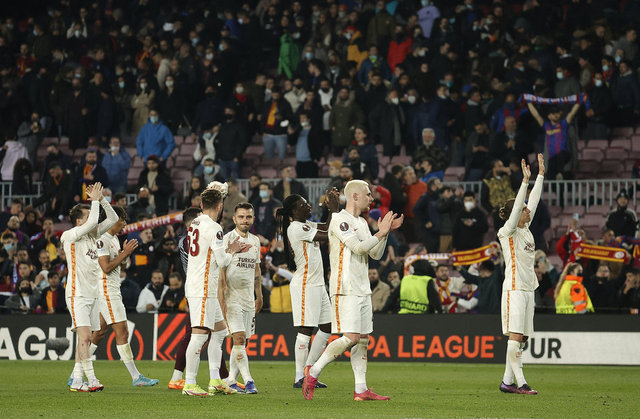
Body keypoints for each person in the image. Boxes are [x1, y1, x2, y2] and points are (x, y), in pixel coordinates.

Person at [302, 179, 403, 401]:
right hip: (345, 287)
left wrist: (384, 233)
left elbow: (375, 254)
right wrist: (380, 233)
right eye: (368, 194)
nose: (372, 198)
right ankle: (313, 372)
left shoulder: (362, 223)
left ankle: (361, 389)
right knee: (351, 338)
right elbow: (357, 248)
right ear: (355, 196)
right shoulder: (339, 220)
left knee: (363, 339)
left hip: (362, 287)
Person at [182, 188, 252, 397]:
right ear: (220, 206)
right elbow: (222, 261)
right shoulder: (215, 228)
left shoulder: (195, 222)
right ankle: (189, 383)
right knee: (199, 336)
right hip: (203, 287)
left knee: (220, 331)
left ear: (201, 205)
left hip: (201, 285)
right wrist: (232, 250)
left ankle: (215, 380)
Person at [277, 189, 339, 389]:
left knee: (327, 327)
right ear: (293, 212)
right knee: (306, 329)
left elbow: (327, 226)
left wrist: (331, 210)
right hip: (305, 284)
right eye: (303, 204)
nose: (308, 206)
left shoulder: (305, 224)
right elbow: (327, 235)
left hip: (317, 284)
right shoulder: (296, 228)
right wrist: (334, 210)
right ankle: (299, 377)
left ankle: (309, 372)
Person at [90, 206, 158, 386]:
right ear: (111, 220)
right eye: (122, 219)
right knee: (122, 332)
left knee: (100, 332)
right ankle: (136, 377)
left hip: (112, 289)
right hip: (107, 291)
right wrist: (125, 254)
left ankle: (77, 371)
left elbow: (121, 266)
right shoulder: (102, 239)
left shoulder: (114, 239)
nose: (125, 223)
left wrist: (125, 256)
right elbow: (106, 268)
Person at [61, 182, 118, 392]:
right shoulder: (69, 236)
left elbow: (113, 219)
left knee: (84, 339)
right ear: (78, 221)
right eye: (86, 217)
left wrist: (102, 200)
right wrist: (94, 201)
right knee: (85, 337)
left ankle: (77, 380)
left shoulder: (93, 236)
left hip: (93, 294)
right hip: (77, 294)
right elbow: (94, 219)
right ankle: (92, 379)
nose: (93, 220)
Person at [497, 154, 545, 395]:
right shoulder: (508, 231)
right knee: (515, 336)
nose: (528, 210)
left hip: (528, 288)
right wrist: (524, 182)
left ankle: (507, 381)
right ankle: (521, 382)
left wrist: (540, 176)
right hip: (514, 289)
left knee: (522, 338)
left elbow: (532, 202)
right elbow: (518, 207)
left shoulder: (525, 229)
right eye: (524, 209)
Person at [219, 203, 263, 393]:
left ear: (253, 219)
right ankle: (249, 380)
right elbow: (220, 270)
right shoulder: (227, 239)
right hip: (232, 297)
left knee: (243, 342)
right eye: (242, 217)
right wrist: (221, 298)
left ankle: (230, 379)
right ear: (234, 219)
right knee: (238, 338)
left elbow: (257, 270)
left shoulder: (255, 241)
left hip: (248, 298)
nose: (245, 220)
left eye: (248, 217)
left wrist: (259, 295)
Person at [526, 102, 580, 180]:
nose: (556, 115)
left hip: (564, 154)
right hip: (552, 157)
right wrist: (529, 103)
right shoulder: (546, 126)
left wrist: (579, 101)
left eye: (557, 113)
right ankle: (558, 179)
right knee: (550, 176)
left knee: (560, 159)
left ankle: (561, 173)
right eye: (553, 113)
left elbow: (572, 113)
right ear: (549, 116)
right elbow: (536, 115)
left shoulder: (563, 124)